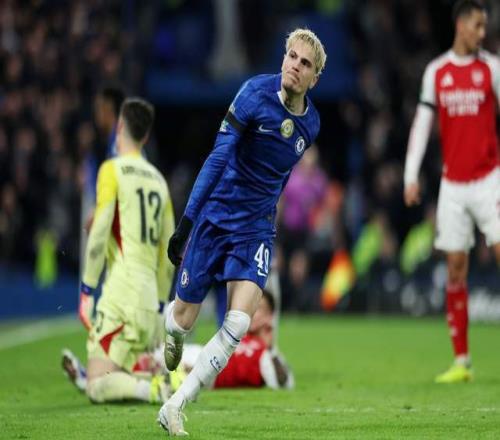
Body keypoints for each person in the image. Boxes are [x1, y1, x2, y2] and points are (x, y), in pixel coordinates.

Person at [158, 28, 326, 436]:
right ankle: (172, 332)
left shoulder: (311, 125)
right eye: (291, 56)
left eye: (305, 63)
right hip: (216, 218)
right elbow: (217, 159)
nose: (295, 66)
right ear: (283, 57)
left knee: (237, 324)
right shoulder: (253, 94)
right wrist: (187, 223)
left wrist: (269, 219)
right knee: (182, 319)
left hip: (255, 230)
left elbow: (280, 177)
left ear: (314, 77)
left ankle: (176, 405)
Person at [404, 0, 500, 384]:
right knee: (456, 268)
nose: (482, 33)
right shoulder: (437, 72)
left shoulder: (491, 69)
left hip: (490, 180)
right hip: (453, 187)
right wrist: (411, 175)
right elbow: (421, 124)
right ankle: (462, 360)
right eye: (478, 25)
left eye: (484, 27)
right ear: (461, 25)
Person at [78, 97, 176, 403]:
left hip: (121, 294)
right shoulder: (160, 181)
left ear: (119, 126)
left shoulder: (112, 170)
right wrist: (160, 307)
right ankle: (162, 380)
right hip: (148, 299)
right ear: (145, 137)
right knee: (115, 372)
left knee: (96, 384)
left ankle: (153, 390)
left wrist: (86, 290)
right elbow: (169, 253)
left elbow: (98, 234)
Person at [62, 290, 294, 393]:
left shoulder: (264, 353)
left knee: (151, 365)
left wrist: (271, 346)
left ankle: (90, 379)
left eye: (260, 309)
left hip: (202, 370)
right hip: (199, 353)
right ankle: (95, 377)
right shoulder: (240, 337)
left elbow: (284, 381)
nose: (252, 312)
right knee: (145, 355)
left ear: (269, 317)